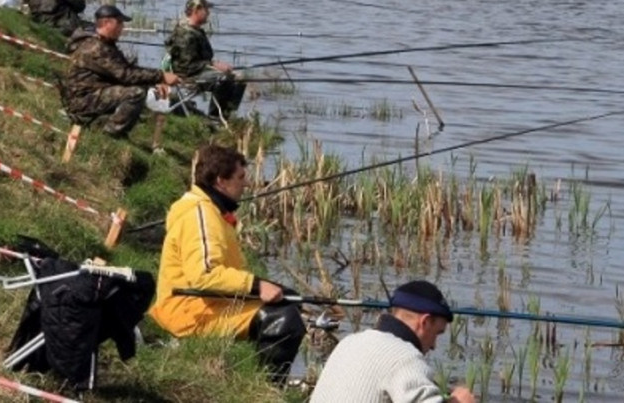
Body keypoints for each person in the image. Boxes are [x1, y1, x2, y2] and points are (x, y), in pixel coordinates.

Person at [150, 144, 306, 385]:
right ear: (221, 181)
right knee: (283, 321)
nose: (246, 184)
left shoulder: (212, 211)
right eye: (240, 177)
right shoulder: (200, 214)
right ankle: (266, 391)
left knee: (286, 302)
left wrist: (274, 288)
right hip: (187, 313)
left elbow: (222, 275)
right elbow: (204, 275)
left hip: (207, 304)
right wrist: (256, 286)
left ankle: (258, 382)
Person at [310, 280, 476, 403]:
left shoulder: (349, 342)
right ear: (424, 322)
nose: (433, 346)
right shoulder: (405, 357)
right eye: (437, 333)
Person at [61, 5, 180, 138]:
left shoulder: (105, 44)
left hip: (92, 93)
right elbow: (125, 75)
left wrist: (154, 82)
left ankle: (101, 123)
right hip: (82, 100)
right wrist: (161, 76)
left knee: (141, 86)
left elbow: (127, 70)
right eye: (119, 23)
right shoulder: (96, 47)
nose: (122, 28)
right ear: (107, 23)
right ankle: (109, 133)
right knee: (135, 93)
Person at [165, 0, 245, 119]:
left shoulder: (196, 30)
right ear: (196, 11)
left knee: (239, 78)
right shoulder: (186, 34)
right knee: (224, 79)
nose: (208, 13)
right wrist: (213, 65)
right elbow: (187, 66)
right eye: (206, 10)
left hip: (198, 70)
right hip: (188, 76)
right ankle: (215, 117)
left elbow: (198, 59)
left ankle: (226, 114)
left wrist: (215, 64)